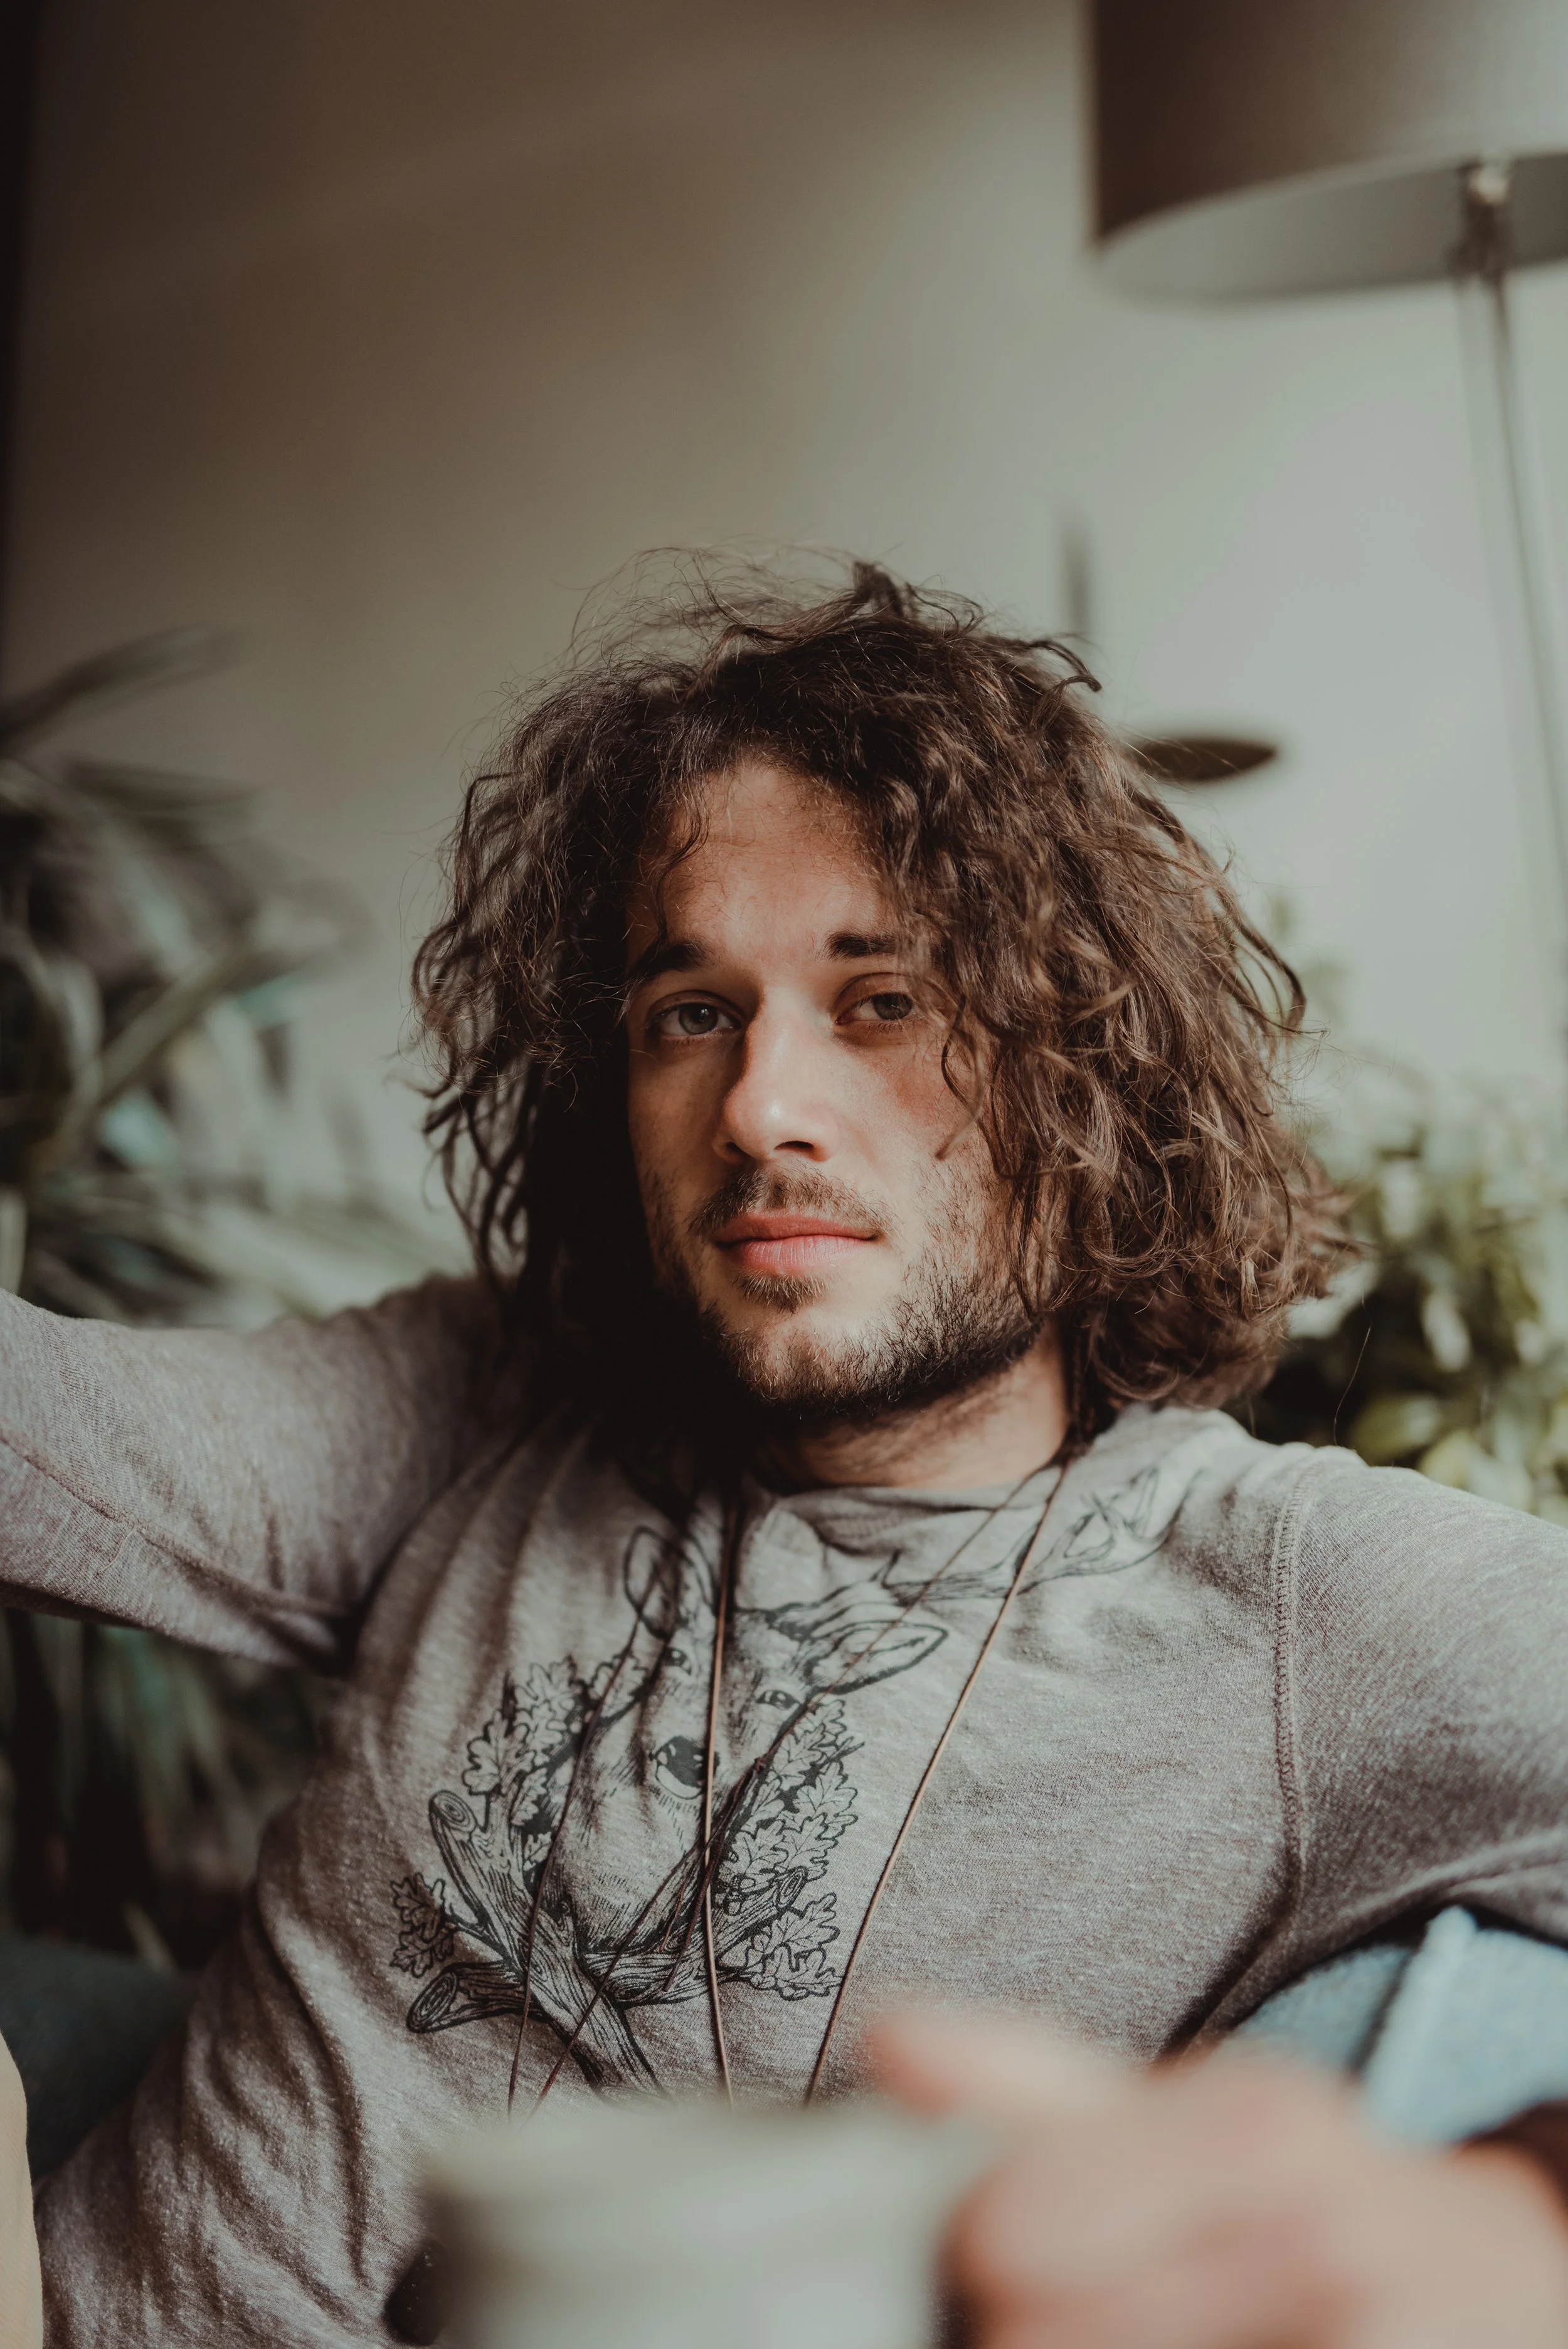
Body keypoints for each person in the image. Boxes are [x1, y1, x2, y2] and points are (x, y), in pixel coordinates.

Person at [1, 561, 1567, 2348]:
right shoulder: (491, 1394)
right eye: (691, 1011)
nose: (757, 1107)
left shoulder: (1288, 1598)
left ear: (1082, 1063)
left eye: (880, 998)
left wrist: (1509, 2223)